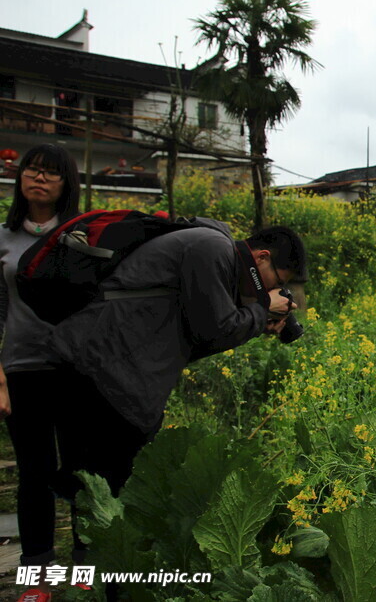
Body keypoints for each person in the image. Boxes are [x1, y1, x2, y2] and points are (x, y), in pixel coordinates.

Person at [51, 219, 305, 494]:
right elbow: (215, 329)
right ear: (262, 257)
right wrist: (263, 308)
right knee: (95, 491)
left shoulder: (219, 259)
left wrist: (257, 320)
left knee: (104, 492)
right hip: (101, 371)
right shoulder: (213, 248)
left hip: (118, 377)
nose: (273, 290)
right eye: (278, 282)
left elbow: (197, 340)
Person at [0, 144, 82, 597]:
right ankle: (37, 576)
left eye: (52, 172)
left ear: (66, 184)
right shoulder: (3, 238)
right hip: (22, 369)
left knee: (83, 471)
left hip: (77, 371)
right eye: (32, 169)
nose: (39, 178)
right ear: (20, 178)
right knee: (34, 475)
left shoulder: (83, 235)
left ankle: (89, 568)